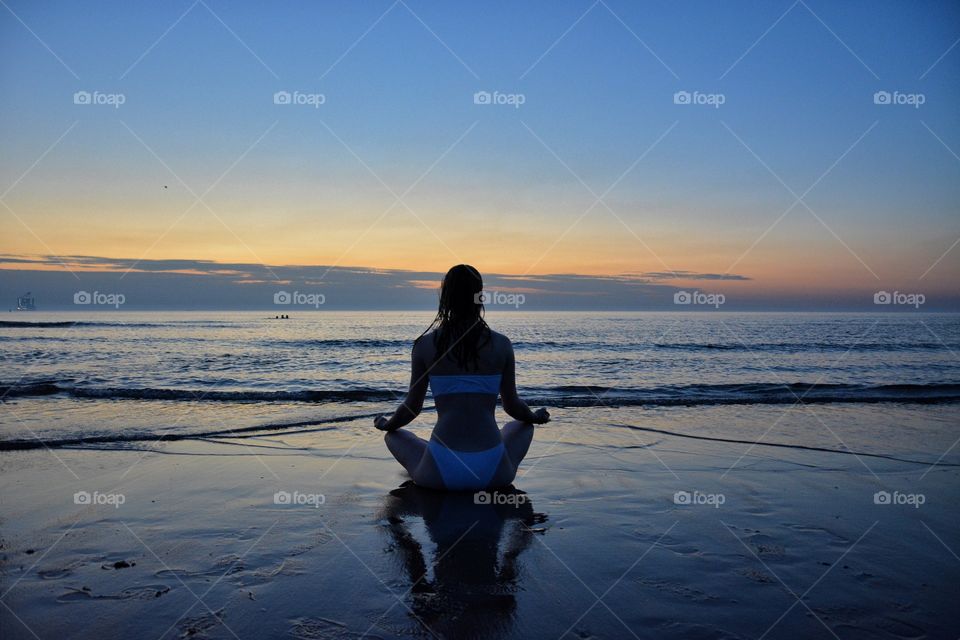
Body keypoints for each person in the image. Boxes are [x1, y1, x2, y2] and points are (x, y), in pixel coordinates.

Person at [375, 264, 550, 490]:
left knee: (394, 436)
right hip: (494, 473)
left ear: (445, 297)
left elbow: (412, 408)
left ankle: (432, 452)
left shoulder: (425, 345)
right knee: (522, 426)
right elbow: (513, 406)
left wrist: (387, 424)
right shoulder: (501, 344)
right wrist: (534, 417)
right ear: (480, 296)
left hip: (439, 473)